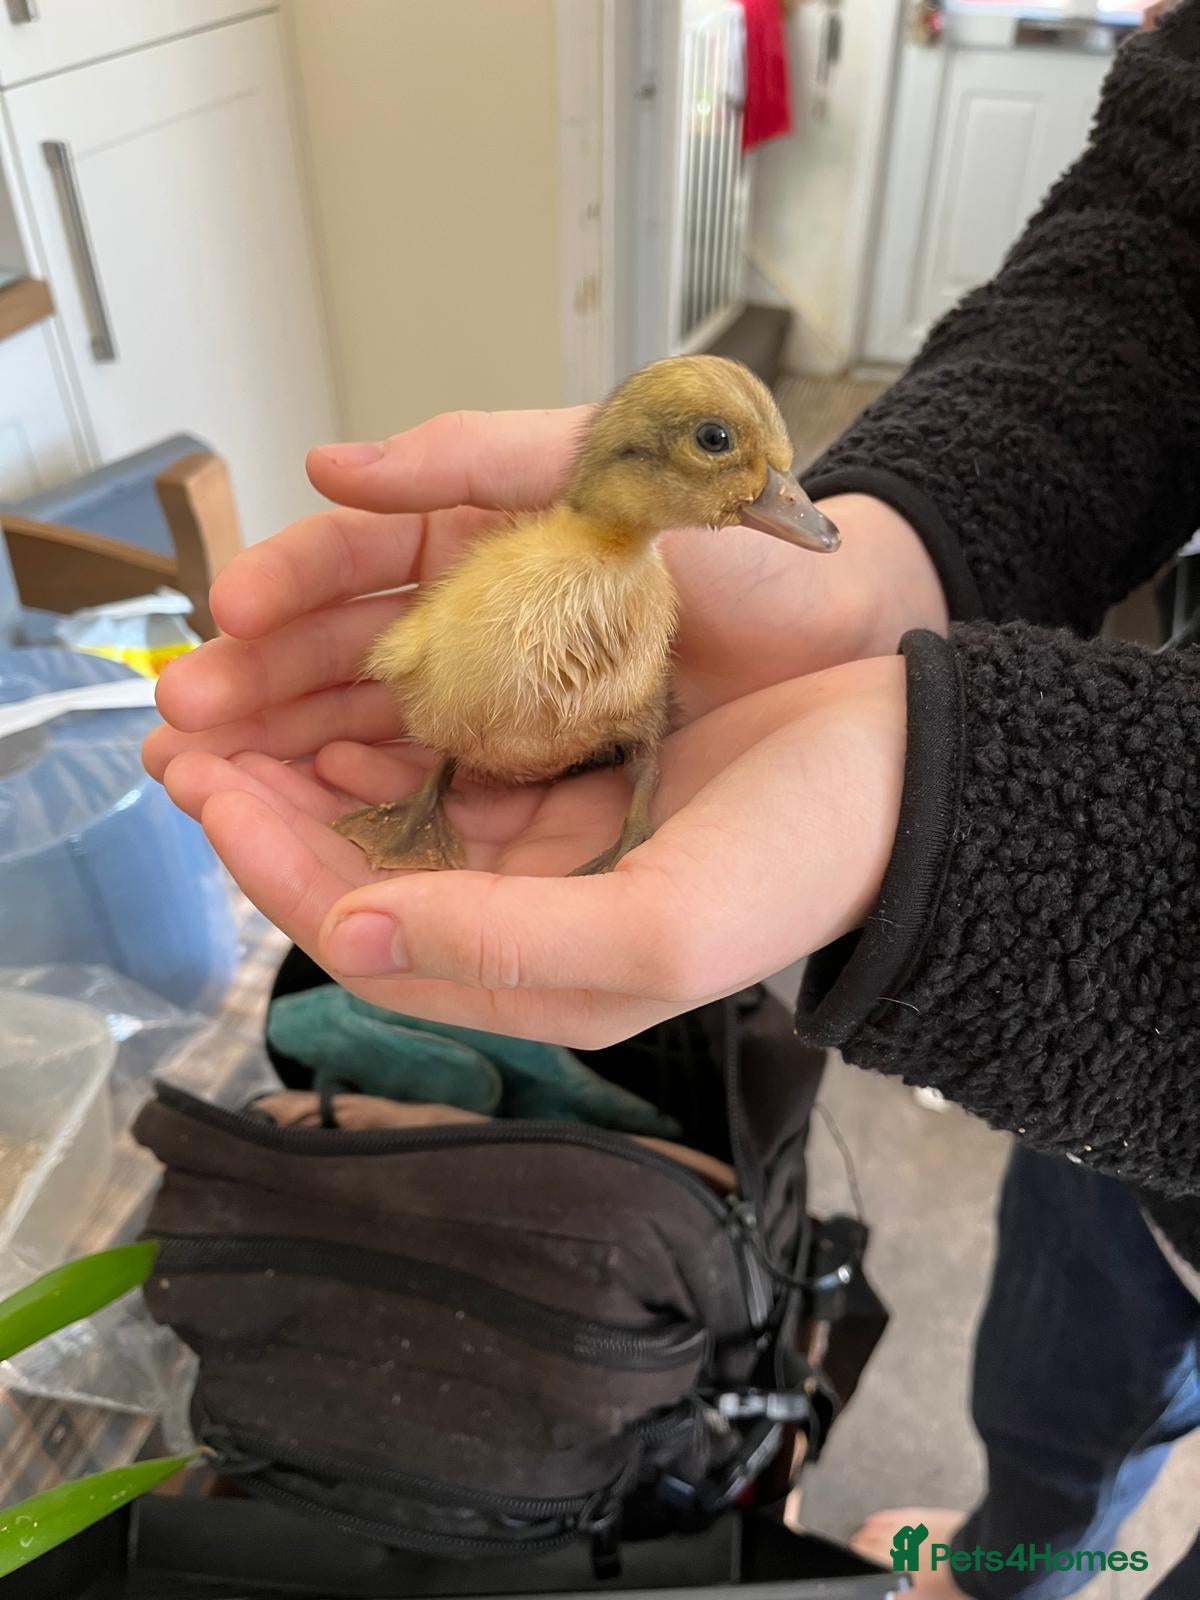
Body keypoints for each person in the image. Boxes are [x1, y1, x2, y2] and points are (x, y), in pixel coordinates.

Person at [144, 3, 1200, 1594]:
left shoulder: (632, 602)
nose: (785, 506)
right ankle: (1010, 1566)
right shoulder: (583, 582)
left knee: (1106, 1425)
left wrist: (975, 812)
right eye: (738, 466)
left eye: (770, 474)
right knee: (1069, 1386)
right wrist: (912, 543)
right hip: (1119, 1129)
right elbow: (1166, 232)